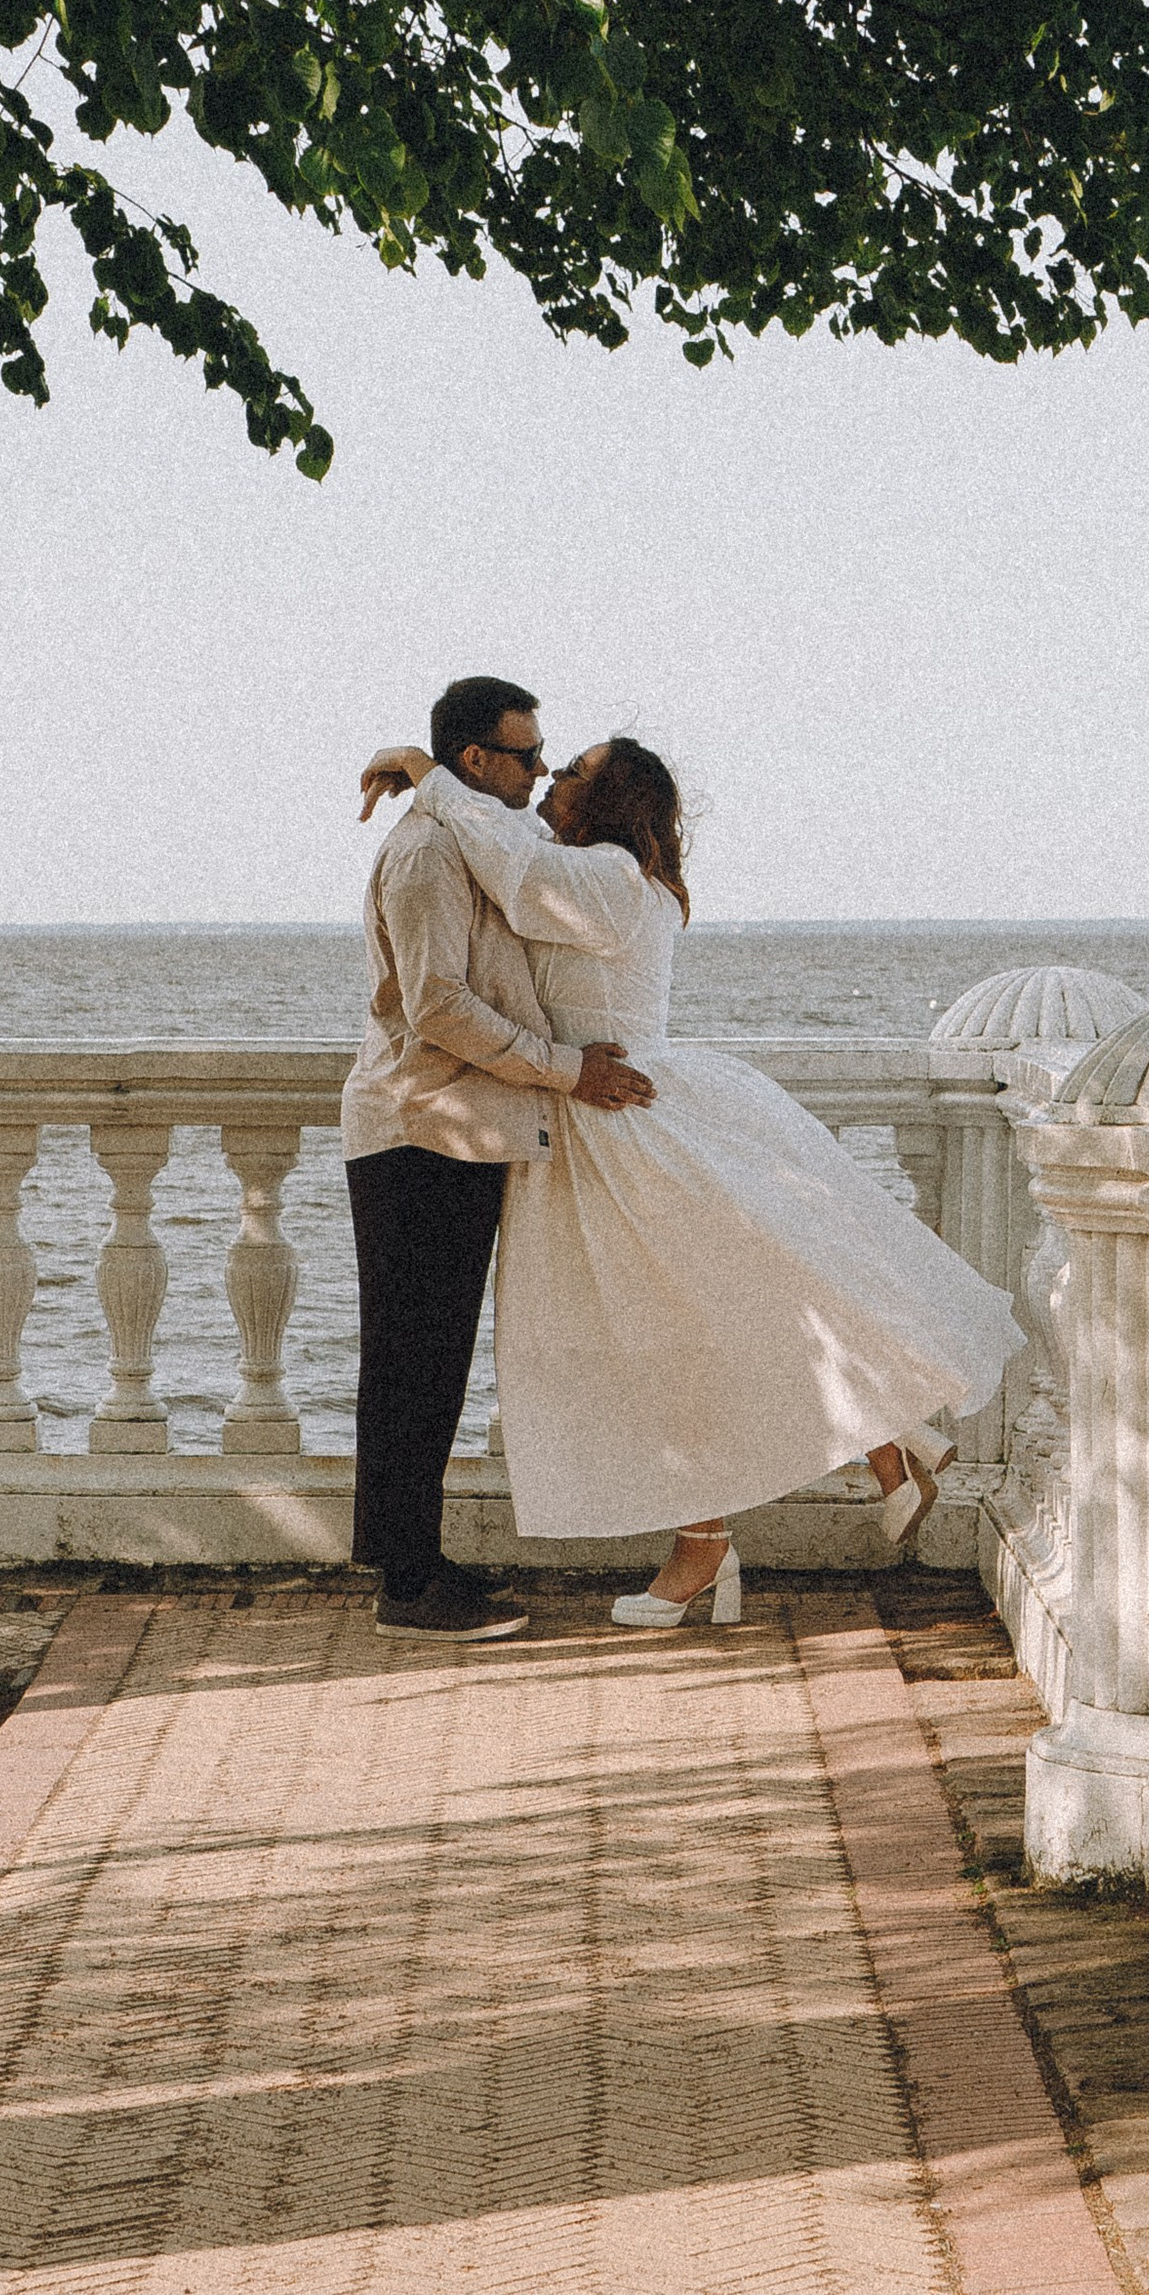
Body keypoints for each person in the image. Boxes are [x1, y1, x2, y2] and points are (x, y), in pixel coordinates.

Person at [357, 731, 1022, 1625]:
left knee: (675, 1338)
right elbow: (503, 860)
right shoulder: (617, 878)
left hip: (619, 1126)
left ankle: (743, 1522)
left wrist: (426, 769)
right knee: (687, 1331)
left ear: (612, 801)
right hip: (597, 1124)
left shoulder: (605, 879)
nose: (554, 776)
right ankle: (872, 1443)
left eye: (576, 771)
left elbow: (505, 865)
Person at [341, 676, 656, 1638]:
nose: (540, 768)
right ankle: (405, 1587)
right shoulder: (433, 852)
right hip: (420, 1126)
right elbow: (434, 1004)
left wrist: (417, 766)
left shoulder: (473, 832)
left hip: (457, 1127)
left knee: (431, 1360)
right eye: (525, 754)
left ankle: (417, 1560)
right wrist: (566, 1071)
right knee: (409, 1362)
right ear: (477, 760)